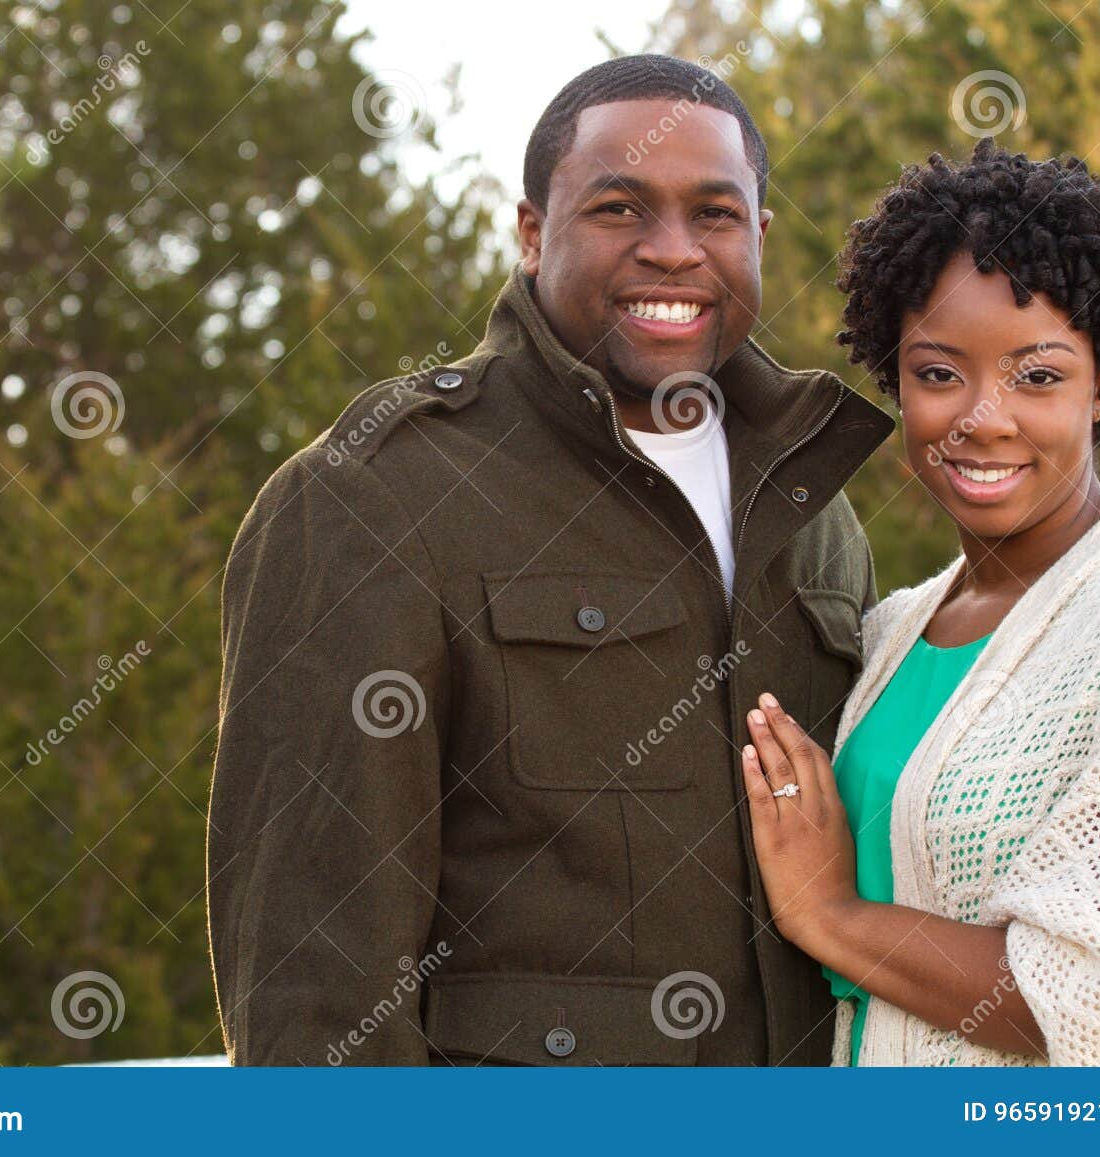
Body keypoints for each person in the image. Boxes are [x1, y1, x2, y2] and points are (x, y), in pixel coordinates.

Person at [206, 55, 894, 1065]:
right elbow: (310, 978)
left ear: (758, 237)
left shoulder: (814, 507)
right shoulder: (375, 493)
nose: (673, 252)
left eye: (713, 214)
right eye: (619, 208)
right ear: (531, 234)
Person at [741, 139, 1100, 1066]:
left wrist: (830, 913)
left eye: (1039, 375)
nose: (984, 415)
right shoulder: (894, 629)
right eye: (939, 373)